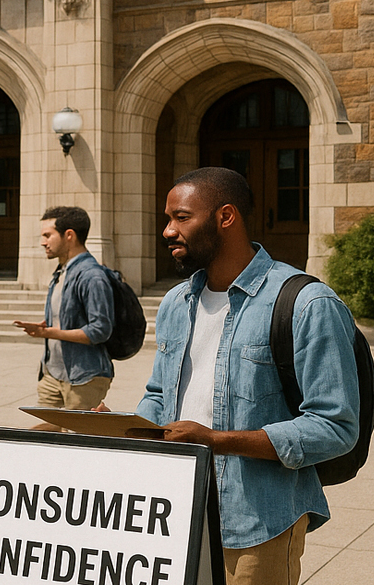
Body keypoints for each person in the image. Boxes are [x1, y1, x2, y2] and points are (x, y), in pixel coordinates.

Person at [132, 167, 360, 585]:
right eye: (167, 219)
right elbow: (160, 394)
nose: (167, 231)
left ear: (225, 217)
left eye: (181, 217)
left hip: (258, 522)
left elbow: (335, 426)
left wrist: (217, 441)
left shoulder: (307, 303)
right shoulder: (175, 303)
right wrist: (125, 425)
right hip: (175, 512)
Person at [10, 207, 114, 426]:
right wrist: (46, 326)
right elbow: (68, 317)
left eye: (47, 235)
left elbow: (100, 330)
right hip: (52, 373)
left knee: (77, 445)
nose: (42, 242)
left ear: (69, 235)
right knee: (43, 440)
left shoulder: (92, 276)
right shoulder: (61, 271)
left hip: (84, 377)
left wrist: (48, 333)